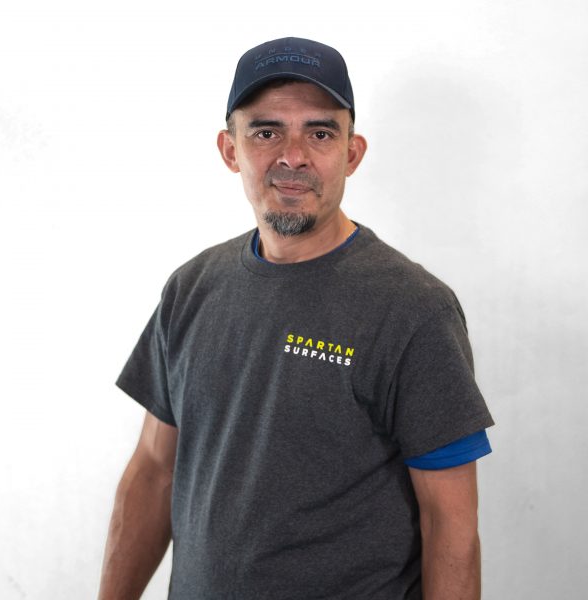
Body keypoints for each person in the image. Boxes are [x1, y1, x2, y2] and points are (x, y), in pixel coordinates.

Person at [98, 37, 494, 600]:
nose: (293, 156)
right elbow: (153, 471)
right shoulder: (192, 288)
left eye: (320, 133)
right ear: (230, 149)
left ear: (352, 153)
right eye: (266, 132)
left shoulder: (412, 310)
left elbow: (450, 526)